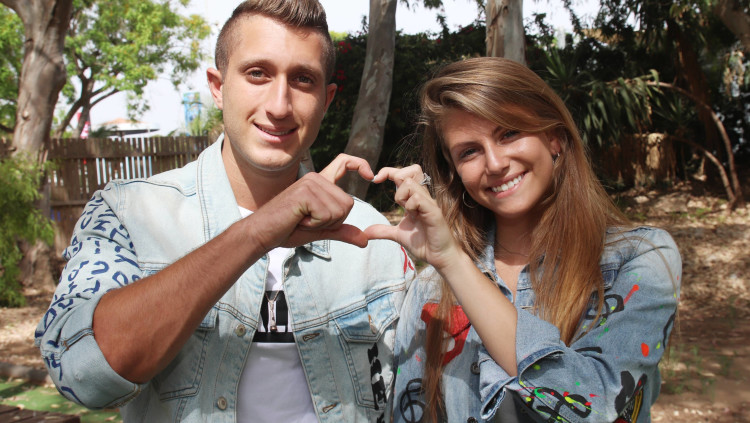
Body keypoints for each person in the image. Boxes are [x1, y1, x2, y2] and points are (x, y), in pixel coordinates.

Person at [34, 1, 413, 422]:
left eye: (303, 79)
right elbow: (82, 374)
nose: (279, 105)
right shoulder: (127, 213)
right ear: (217, 87)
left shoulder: (371, 235)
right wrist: (257, 231)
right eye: (258, 74)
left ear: (327, 100)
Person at [366, 57, 681, 422]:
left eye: (510, 133)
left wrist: (453, 261)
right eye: (469, 151)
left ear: (554, 137)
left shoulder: (640, 259)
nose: (495, 163)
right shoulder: (432, 290)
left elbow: (595, 403)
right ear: (455, 173)